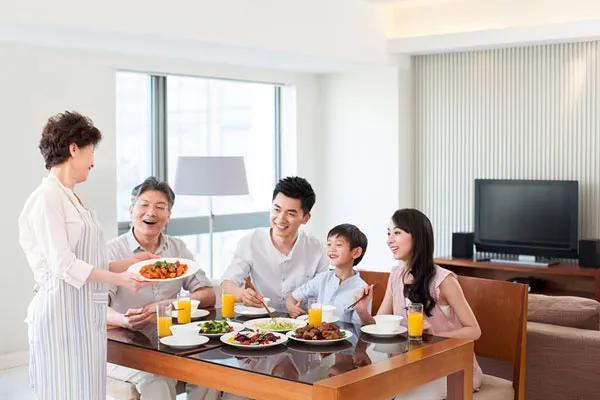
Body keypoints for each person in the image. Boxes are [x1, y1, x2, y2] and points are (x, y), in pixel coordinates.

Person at [19, 111, 152, 400]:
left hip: (83, 315)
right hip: (60, 316)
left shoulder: (71, 197)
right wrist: (121, 278)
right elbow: (64, 265)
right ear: (74, 149)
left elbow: (87, 261)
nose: (93, 161)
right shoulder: (47, 198)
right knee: (65, 392)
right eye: (91, 150)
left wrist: (127, 264)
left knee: (88, 392)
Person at [353, 208, 482, 400]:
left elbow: (474, 331)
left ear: (418, 236)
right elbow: (380, 327)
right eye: (388, 233)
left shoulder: (443, 280)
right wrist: (363, 311)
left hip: (450, 369)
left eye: (397, 233)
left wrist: (435, 335)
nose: (389, 240)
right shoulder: (396, 275)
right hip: (409, 366)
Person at [106, 177, 216, 400]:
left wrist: (174, 304)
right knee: (158, 379)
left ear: (168, 216)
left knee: (209, 371)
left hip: (171, 340)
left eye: (160, 207)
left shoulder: (177, 248)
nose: (151, 212)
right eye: (144, 204)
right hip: (123, 344)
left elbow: (207, 293)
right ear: (131, 211)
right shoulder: (112, 252)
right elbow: (96, 307)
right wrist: (125, 320)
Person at [221, 176, 328, 311]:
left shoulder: (317, 249)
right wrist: (242, 295)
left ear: (305, 218)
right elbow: (227, 284)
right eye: (277, 209)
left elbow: (324, 293)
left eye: (291, 214)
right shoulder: (251, 242)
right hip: (262, 319)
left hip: (303, 321)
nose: (281, 219)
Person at [286, 223, 371, 325]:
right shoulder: (322, 278)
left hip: (344, 335)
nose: (331, 249)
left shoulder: (362, 289)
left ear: (356, 252)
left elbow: (361, 328)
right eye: (329, 244)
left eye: (338, 245)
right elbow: (292, 297)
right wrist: (291, 307)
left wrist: (362, 311)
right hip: (317, 333)